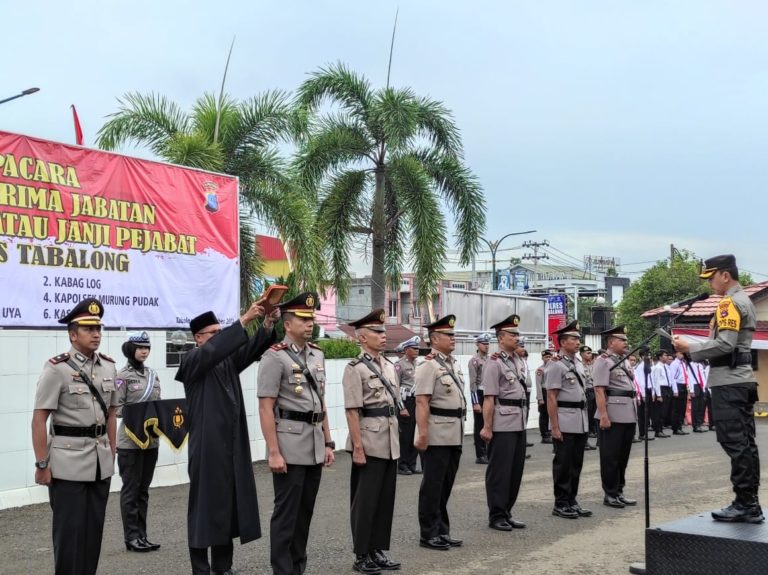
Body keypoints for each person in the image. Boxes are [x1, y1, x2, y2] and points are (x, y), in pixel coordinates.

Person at [175, 301, 278, 575]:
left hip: (231, 446)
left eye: (222, 331)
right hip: (207, 449)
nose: (220, 337)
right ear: (198, 338)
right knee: (203, 510)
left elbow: (250, 349)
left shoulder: (225, 361)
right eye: (214, 332)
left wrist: (267, 323)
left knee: (227, 507)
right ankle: (201, 568)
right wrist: (243, 321)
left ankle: (223, 567)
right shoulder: (191, 361)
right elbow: (213, 351)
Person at [31, 298, 119, 575]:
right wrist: (42, 464)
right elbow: (39, 419)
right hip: (67, 466)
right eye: (88, 328)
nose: (96, 334)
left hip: (99, 465)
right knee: (69, 539)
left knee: (93, 537)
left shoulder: (109, 367)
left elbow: (112, 415)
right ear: (72, 333)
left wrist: (111, 455)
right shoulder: (57, 368)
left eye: (98, 329)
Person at [673, 254, 762, 523]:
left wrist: (691, 347)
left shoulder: (729, 303)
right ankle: (749, 502)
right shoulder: (742, 300)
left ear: (725, 275)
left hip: (729, 382)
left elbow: (725, 345)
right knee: (745, 444)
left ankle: (746, 503)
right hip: (741, 380)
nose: (710, 284)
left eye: (711, 278)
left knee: (735, 443)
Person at [257, 292, 336, 575]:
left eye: (312, 318)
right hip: (289, 447)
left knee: (304, 516)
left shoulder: (317, 354)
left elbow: (321, 401)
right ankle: (282, 570)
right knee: (286, 516)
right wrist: (274, 452)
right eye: (303, 319)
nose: (309, 323)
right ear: (287, 324)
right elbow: (266, 408)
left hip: (314, 443)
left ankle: (297, 568)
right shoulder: (274, 357)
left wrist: (328, 442)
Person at [343, 309, 402, 574]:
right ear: (362, 337)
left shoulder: (389, 366)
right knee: (365, 502)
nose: (383, 336)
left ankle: (377, 549)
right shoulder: (354, 368)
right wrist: (357, 447)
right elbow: (352, 411)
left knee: (384, 500)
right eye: (377, 332)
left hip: (389, 439)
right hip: (368, 439)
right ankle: (361, 554)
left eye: (383, 332)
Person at [414, 314, 467, 551]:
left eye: (453, 334)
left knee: (445, 485)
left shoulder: (452, 363)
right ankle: (428, 533)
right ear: (435, 339)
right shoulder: (428, 365)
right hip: (436, 433)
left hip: (454, 432)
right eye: (448, 335)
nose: (452, 338)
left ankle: (442, 530)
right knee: (432, 486)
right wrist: (422, 434)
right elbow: (422, 402)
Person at [480, 314, 528, 531]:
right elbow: (489, 398)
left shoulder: (517, 360)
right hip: (502, 422)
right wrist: (487, 426)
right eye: (512, 334)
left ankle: (507, 511)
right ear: (500, 338)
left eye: (517, 334)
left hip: (519, 421)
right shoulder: (494, 362)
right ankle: (496, 514)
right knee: (500, 471)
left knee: (515, 470)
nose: (517, 337)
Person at [116, 331, 161, 552]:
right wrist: (138, 413)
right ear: (130, 348)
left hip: (150, 441)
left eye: (147, 347)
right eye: (140, 347)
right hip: (130, 443)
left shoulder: (153, 375)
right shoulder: (122, 375)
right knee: (131, 490)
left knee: (143, 490)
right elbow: (115, 410)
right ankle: (131, 537)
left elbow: (158, 405)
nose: (144, 351)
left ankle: (142, 535)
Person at [545, 320, 591, 519]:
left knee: (576, 463)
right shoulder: (556, 365)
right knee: (563, 464)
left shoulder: (578, 363)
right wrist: (554, 426)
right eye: (573, 338)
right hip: (564, 419)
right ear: (562, 342)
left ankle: (572, 500)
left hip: (579, 419)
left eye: (578, 338)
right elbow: (552, 397)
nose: (577, 342)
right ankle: (561, 503)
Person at [592, 326, 638, 509]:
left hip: (628, 412)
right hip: (613, 413)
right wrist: (603, 415)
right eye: (622, 340)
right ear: (611, 342)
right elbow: (599, 389)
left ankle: (619, 490)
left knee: (622, 456)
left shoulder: (623, 361)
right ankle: (610, 493)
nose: (626, 343)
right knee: (610, 456)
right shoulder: (603, 361)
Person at [395, 336, 422, 475]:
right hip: (406, 402)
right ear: (406, 350)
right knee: (405, 435)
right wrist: (401, 407)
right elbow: (395, 387)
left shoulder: (419, 364)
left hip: (417, 401)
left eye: (418, 348)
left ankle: (412, 463)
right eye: (414, 348)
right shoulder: (399, 365)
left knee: (415, 433)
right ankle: (402, 464)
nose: (417, 350)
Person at [468, 333, 491, 464]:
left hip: (489, 393)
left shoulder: (490, 359)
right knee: (480, 425)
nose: (486, 346)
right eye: (484, 343)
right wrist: (475, 402)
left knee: (489, 423)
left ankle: (488, 451)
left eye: (488, 344)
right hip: (480, 394)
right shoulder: (474, 361)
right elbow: (472, 383)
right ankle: (480, 454)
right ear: (477, 345)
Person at [580, 345, 598, 445]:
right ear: (581, 354)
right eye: (587, 353)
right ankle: (588, 432)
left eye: (590, 353)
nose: (590, 355)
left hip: (594, 390)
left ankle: (593, 429)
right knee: (588, 413)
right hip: (586, 391)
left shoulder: (593, 365)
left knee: (595, 412)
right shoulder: (579, 365)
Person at [650, 351, 671, 439]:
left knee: (664, 411)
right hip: (661, 389)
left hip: (666, 389)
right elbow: (656, 381)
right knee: (660, 412)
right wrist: (658, 395)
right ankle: (658, 431)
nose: (667, 357)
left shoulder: (665, 367)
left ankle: (661, 429)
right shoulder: (658, 367)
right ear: (660, 357)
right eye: (665, 355)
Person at [669, 352, 691, 436]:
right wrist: (675, 390)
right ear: (676, 354)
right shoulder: (674, 364)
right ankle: (675, 428)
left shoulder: (683, 363)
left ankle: (680, 426)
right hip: (678, 385)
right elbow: (673, 377)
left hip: (684, 385)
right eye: (680, 353)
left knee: (682, 408)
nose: (682, 355)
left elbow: (686, 376)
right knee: (676, 409)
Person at [535, 350, 554, 444]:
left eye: (550, 357)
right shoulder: (540, 369)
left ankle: (551, 432)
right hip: (544, 392)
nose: (548, 359)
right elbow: (538, 384)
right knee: (544, 415)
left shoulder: (554, 368)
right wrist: (540, 398)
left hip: (552, 392)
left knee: (552, 413)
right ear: (542, 358)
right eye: (546, 357)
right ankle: (545, 435)